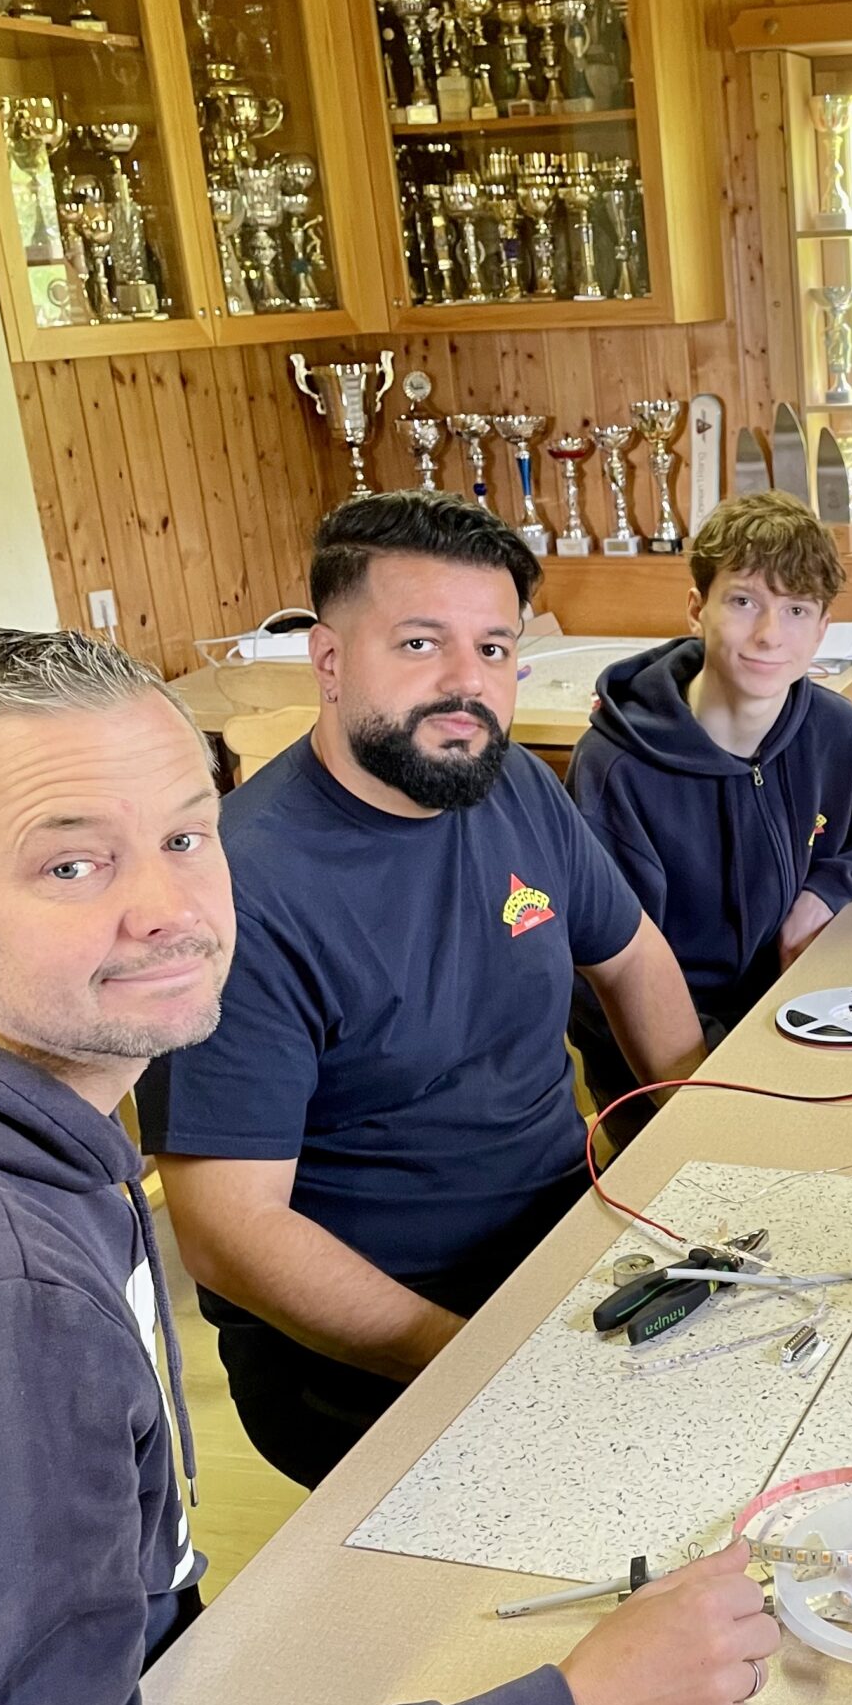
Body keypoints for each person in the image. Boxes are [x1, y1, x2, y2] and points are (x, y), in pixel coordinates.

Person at [0, 627, 780, 1705]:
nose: (171, 907)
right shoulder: (1, 1295)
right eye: (70, 862)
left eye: (187, 836)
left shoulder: (31, 1157)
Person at [139, 493, 706, 1488]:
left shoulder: (511, 783)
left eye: (493, 648)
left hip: (563, 1245)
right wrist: (479, 1364)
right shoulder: (239, 895)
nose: (466, 683)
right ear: (328, 660)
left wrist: (706, 1154)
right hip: (377, 1339)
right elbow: (230, 1235)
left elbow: (633, 959)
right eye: (419, 643)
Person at [565, 493, 852, 1118]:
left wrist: (824, 891)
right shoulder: (615, 770)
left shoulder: (844, 733)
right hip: (667, 1066)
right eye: (743, 602)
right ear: (696, 609)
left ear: (822, 630)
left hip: (804, 1015)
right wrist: (719, 1085)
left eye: (796, 610)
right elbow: (603, 976)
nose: (769, 635)